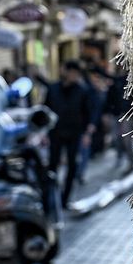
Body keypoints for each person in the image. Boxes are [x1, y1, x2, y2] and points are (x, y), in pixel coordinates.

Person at [45, 60, 95, 206]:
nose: (74, 76)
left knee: (72, 165)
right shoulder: (53, 89)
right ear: (65, 71)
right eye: (72, 72)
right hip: (55, 133)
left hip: (74, 133)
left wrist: (87, 133)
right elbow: (45, 110)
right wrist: (43, 134)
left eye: (77, 73)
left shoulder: (82, 90)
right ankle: (49, 198)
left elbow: (88, 113)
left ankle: (65, 198)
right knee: (52, 166)